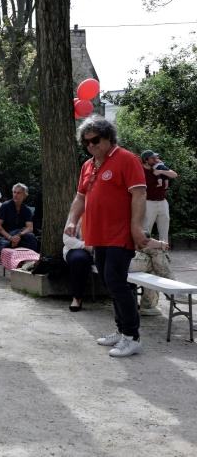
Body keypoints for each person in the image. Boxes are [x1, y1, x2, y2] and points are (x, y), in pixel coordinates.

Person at [65, 116, 147, 358]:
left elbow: (139, 195)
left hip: (120, 234)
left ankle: (132, 336)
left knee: (117, 282)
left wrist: (136, 227)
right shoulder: (88, 165)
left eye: (96, 139)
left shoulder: (127, 159)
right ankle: (122, 330)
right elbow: (80, 198)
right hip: (97, 234)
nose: (91, 144)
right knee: (110, 282)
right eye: (86, 141)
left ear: (109, 137)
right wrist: (72, 220)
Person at [141, 150, 177, 244]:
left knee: (164, 228)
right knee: (146, 228)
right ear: (145, 159)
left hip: (162, 201)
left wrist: (161, 171)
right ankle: (144, 252)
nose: (155, 159)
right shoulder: (140, 170)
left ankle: (164, 251)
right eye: (152, 158)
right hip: (148, 202)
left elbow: (174, 174)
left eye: (155, 157)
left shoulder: (158, 167)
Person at [0, 183, 39, 253]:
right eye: (14, 192)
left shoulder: (26, 210)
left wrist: (18, 236)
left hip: (19, 237)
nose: (15, 195)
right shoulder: (5, 206)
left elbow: (30, 228)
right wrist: (11, 238)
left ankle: (32, 261)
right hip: (6, 237)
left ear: (24, 196)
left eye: (18, 193)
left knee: (31, 236)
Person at [63, 218, 93, 312]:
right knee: (79, 259)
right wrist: (85, 246)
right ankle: (77, 297)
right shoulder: (79, 211)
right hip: (79, 247)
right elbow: (67, 239)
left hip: (106, 247)